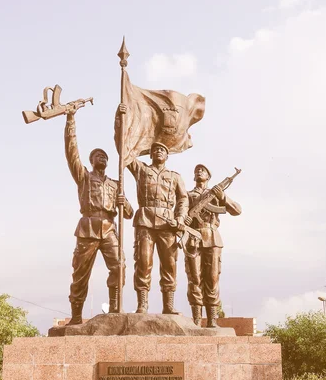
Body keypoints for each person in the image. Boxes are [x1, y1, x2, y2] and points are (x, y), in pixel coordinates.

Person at [64, 106, 133, 324]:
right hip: (88, 226)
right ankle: (76, 315)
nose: (101, 157)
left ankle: (114, 306)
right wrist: (70, 121)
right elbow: (71, 152)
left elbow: (129, 213)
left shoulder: (115, 183)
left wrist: (124, 202)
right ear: (91, 161)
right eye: (97, 155)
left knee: (119, 265)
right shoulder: (83, 177)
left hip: (109, 227)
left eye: (104, 156)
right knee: (81, 272)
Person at [125, 132, 189, 314]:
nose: (159, 152)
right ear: (150, 154)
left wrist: (180, 218)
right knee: (143, 263)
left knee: (169, 264)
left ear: (167, 156)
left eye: (162, 150)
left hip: (168, 224)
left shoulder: (175, 176)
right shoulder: (142, 170)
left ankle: (168, 305)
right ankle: (142, 304)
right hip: (145, 220)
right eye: (156, 150)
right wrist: (122, 123)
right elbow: (124, 150)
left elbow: (183, 199)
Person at [184, 164, 241, 327]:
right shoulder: (188, 195)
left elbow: (237, 210)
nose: (199, 171)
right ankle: (196, 320)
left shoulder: (215, 193)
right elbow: (179, 213)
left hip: (212, 238)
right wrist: (184, 219)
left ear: (208, 176)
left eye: (203, 170)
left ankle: (212, 320)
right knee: (194, 278)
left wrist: (222, 197)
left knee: (213, 278)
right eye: (196, 170)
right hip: (194, 237)